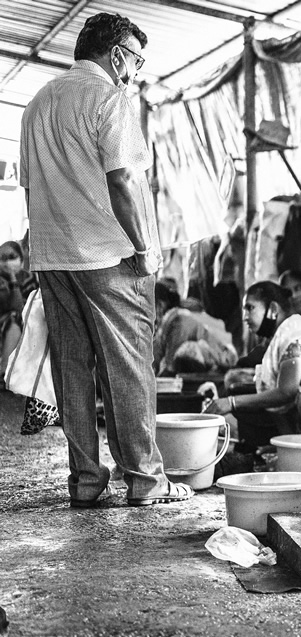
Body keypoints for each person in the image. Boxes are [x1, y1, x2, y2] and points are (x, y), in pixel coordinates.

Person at [18, 12, 191, 507]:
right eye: (135, 59)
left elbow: (30, 187)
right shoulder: (108, 98)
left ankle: (87, 484)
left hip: (53, 258)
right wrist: (144, 248)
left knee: (72, 369)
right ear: (116, 54)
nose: (136, 70)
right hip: (109, 256)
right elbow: (123, 181)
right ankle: (145, 481)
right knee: (129, 366)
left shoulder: (36, 105)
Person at [204, 281, 301, 475]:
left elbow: (287, 392)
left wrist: (231, 403)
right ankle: (289, 450)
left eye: (250, 308)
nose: (245, 317)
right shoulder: (282, 335)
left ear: (273, 309)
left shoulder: (293, 338)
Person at [152, 281, 238, 376]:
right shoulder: (170, 320)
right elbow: (155, 355)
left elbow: (171, 367)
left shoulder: (177, 319)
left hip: (223, 365)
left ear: (159, 306)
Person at [0, 269, 24, 388]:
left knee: (14, 320)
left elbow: (17, 307)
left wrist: (13, 281)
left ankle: (4, 371)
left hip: (6, 326)